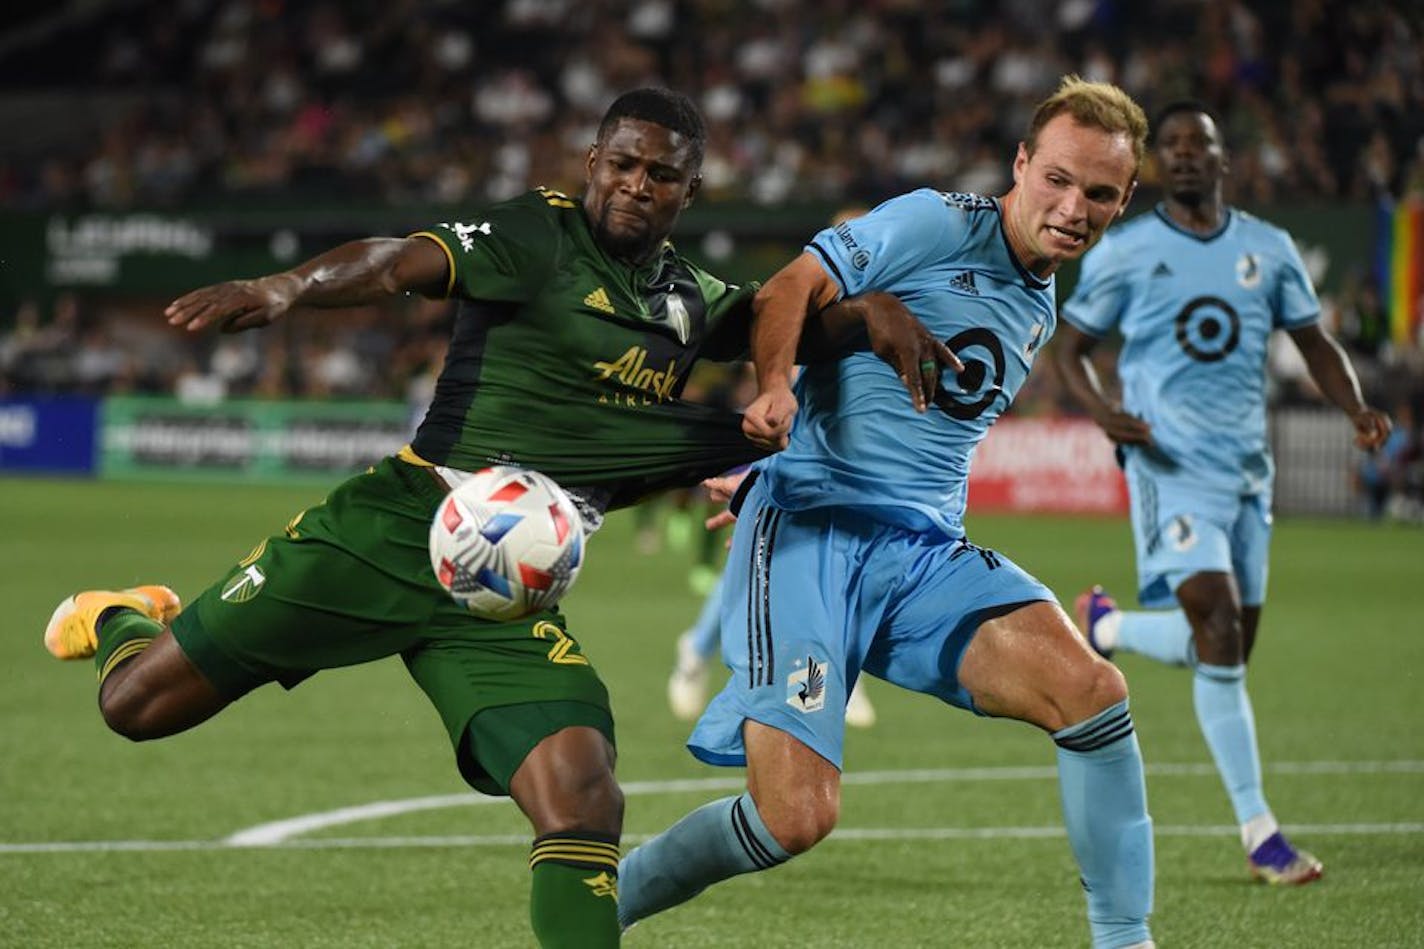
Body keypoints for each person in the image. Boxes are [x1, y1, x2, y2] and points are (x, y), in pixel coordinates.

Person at [39, 88, 942, 948]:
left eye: (661, 175)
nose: (637, 184)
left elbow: (780, 326)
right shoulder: (534, 235)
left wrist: (869, 316)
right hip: (395, 526)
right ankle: (123, 613)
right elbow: (399, 259)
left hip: (507, 591)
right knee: (135, 707)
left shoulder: (685, 297)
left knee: (585, 795)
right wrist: (288, 288)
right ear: (592, 162)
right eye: (622, 164)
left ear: (689, 191)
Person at [618, 76, 1157, 949]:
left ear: (1123, 201)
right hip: (809, 534)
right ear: (1021, 164)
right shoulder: (937, 222)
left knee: (1092, 692)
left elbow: (919, 438)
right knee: (793, 816)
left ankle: (1127, 941)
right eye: (1056, 178)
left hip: (921, 554)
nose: (1072, 206)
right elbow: (789, 286)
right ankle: (599, 909)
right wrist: (775, 398)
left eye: (1098, 193)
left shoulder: (1038, 299)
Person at [1053, 100, 1393, 886]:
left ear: (1221, 159)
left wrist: (1357, 407)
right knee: (1216, 623)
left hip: (1248, 473)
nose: (1182, 157)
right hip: (1169, 468)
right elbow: (1074, 350)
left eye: (1195, 145)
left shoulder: (1268, 250)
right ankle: (1260, 830)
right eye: (1167, 147)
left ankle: (1110, 628)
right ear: (1151, 167)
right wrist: (1107, 413)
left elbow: (1315, 341)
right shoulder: (1128, 252)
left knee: (1229, 645)